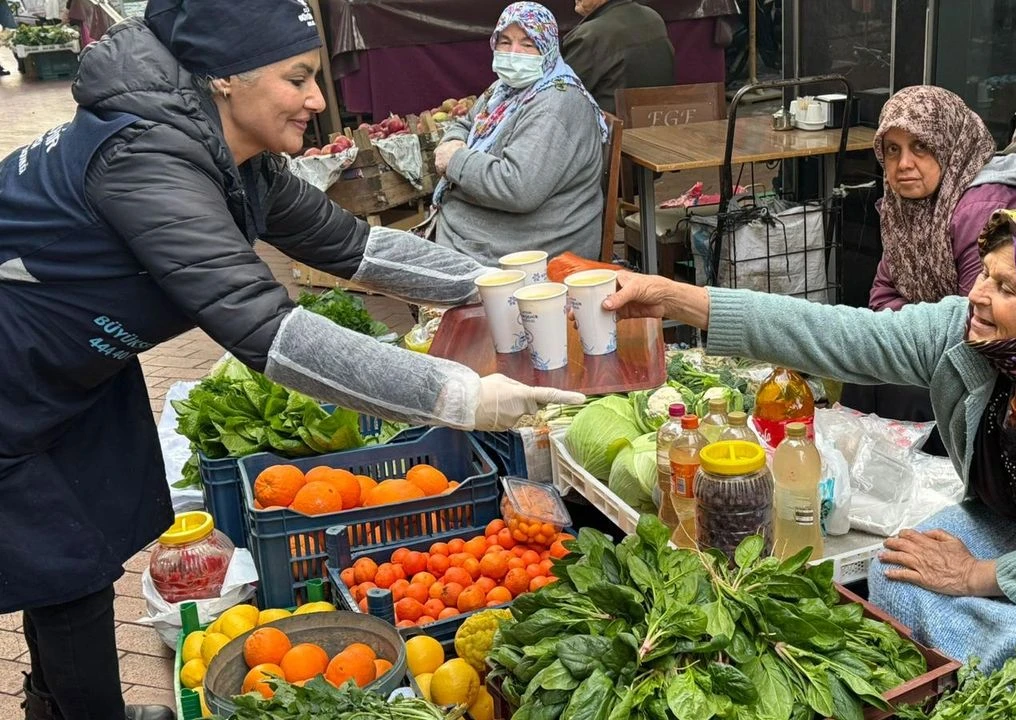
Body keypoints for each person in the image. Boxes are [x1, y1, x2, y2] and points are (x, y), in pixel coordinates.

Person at [0, 2, 585, 718]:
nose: (316, 100)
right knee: (67, 566)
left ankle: (56, 708)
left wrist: (506, 284)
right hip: (14, 370)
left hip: (75, 365)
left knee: (80, 550)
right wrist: (462, 396)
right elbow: (266, 329)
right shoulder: (146, 160)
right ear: (226, 79)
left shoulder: (231, 160)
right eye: (297, 78)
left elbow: (357, 248)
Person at [603, 206, 1016, 713]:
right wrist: (677, 299)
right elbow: (840, 334)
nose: (979, 295)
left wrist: (976, 577)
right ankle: (996, 682)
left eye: (1007, 287)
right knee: (894, 572)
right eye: (984, 275)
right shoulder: (971, 335)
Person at [843, 85, 1016, 454]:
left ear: (950, 145)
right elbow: (882, 294)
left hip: (1005, 360)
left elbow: (977, 321)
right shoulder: (905, 206)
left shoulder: (984, 210)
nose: (904, 164)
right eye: (892, 150)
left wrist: (912, 329)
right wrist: (917, 331)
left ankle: (941, 479)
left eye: (920, 146)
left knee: (904, 389)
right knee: (863, 368)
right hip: (937, 342)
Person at [431, 2, 607, 266]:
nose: (514, 53)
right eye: (505, 42)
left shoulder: (556, 104)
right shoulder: (505, 89)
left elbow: (517, 188)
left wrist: (455, 160)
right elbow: (468, 122)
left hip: (530, 248)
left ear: (548, 50)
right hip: (482, 229)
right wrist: (453, 142)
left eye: (528, 44)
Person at [560, 0, 675, 115]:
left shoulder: (589, 36)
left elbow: (560, 99)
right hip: (655, 120)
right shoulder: (653, 17)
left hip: (611, 123)